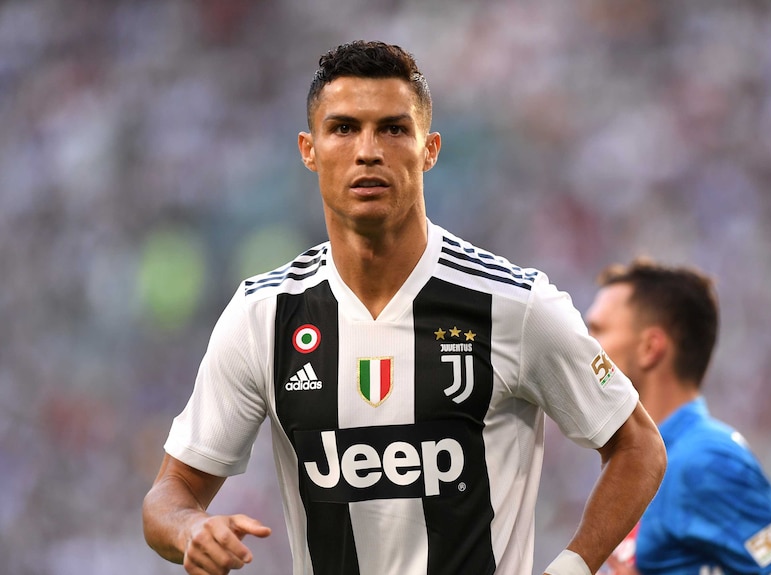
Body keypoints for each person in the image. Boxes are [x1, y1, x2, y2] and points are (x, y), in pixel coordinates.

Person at [141, 40, 666, 575]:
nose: (368, 150)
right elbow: (171, 493)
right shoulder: (264, 315)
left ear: (430, 148)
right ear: (309, 149)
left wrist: (573, 568)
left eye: (393, 128)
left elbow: (639, 447)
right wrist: (190, 528)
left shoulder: (514, 304)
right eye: (343, 128)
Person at [584, 258, 771, 575]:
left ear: (649, 348)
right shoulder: (642, 461)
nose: (584, 347)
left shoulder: (706, 462)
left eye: (596, 331)